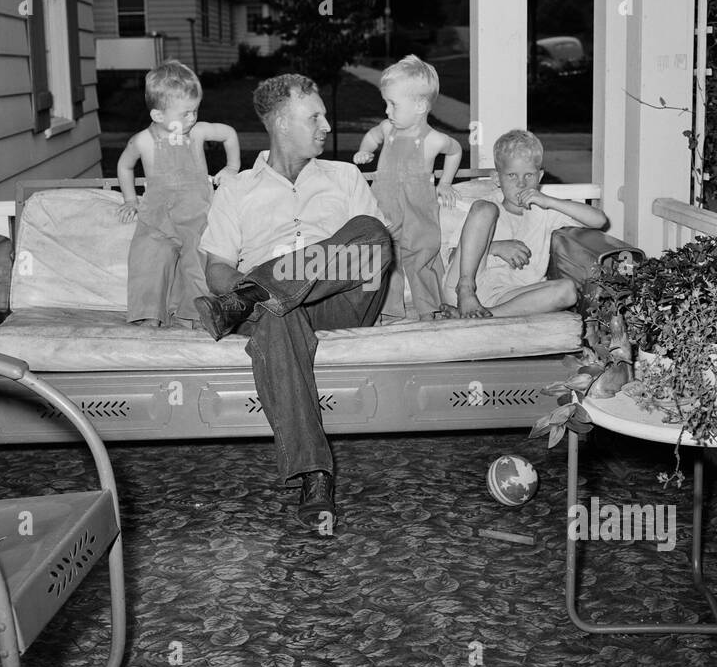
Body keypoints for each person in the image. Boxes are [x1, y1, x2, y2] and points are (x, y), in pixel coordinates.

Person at [196, 74, 394, 533]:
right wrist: (270, 292)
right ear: (283, 123)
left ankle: (253, 295)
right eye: (315, 117)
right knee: (279, 316)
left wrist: (254, 286)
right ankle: (314, 475)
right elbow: (216, 270)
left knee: (371, 231)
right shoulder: (237, 190)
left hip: (343, 301)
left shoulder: (344, 176)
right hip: (278, 320)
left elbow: (373, 251)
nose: (326, 125)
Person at [118, 60, 240, 328]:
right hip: (156, 218)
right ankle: (147, 315)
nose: (192, 118)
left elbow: (229, 134)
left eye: (195, 111)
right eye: (185, 113)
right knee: (147, 263)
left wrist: (232, 167)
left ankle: (195, 316)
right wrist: (130, 198)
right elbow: (125, 165)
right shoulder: (143, 141)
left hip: (197, 215)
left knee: (196, 266)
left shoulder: (197, 132)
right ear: (157, 116)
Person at [445, 129, 608, 318]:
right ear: (497, 178)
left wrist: (550, 201)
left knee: (567, 291)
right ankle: (465, 294)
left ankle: (484, 316)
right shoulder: (486, 207)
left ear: (539, 177)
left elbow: (600, 220)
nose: (521, 184)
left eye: (529, 175)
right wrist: (496, 248)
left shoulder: (545, 211)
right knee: (485, 208)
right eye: (512, 175)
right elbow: (452, 256)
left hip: (512, 297)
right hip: (466, 287)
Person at [353, 54, 462, 321]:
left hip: (418, 211)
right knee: (384, 257)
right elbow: (371, 137)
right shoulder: (387, 129)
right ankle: (387, 310)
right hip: (385, 207)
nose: (387, 111)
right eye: (386, 104)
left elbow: (456, 150)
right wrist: (364, 150)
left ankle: (429, 309)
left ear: (420, 105)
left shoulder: (433, 140)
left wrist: (446, 182)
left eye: (393, 104)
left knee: (422, 256)